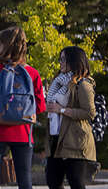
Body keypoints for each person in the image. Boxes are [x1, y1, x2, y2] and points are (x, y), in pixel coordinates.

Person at [0, 26, 47, 189]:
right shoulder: (31, 73)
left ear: (4, 45)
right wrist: (25, 114)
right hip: (23, 132)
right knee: (24, 180)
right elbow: (41, 105)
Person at [45, 46, 97, 189]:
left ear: (73, 62)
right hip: (57, 139)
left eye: (63, 60)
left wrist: (61, 110)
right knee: (53, 182)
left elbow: (89, 112)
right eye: (60, 59)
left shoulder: (83, 84)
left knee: (76, 183)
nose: (60, 63)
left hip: (75, 141)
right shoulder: (58, 82)